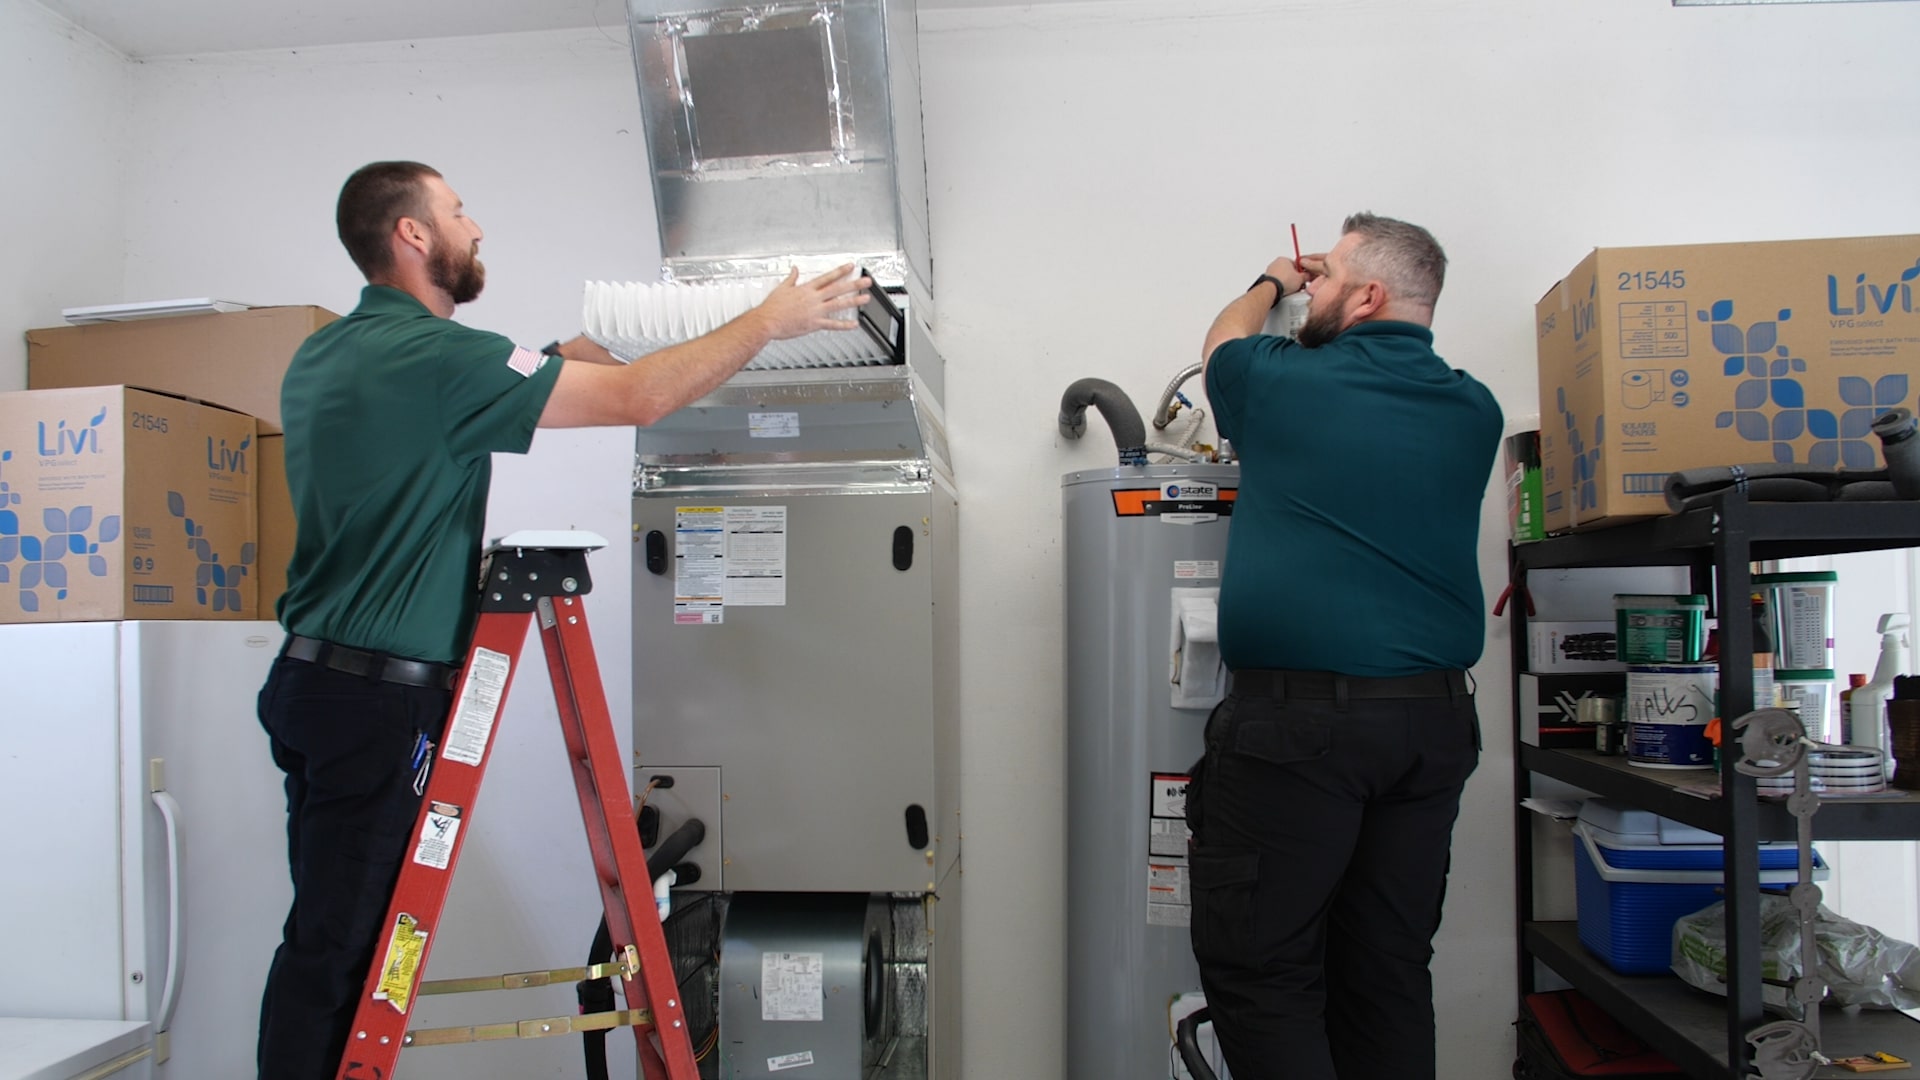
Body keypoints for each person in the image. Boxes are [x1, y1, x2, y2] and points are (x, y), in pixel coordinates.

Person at [255, 160, 869, 1078]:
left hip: (313, 686)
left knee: (327, 942)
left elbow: (538, 375)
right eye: (458, 212)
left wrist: (643, 330)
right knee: (342, 953)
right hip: (379, 705)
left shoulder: (330, 353)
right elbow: (639, 400)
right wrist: (767, 321)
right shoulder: (438, 360)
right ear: (412, 235)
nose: (477, 229)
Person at [1184, 213, 1502, 1080]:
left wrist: (1270, 283)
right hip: (1429, 730)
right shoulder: (1476, 407)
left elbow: (1220, 346)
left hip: (1299, 734)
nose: (1312, 291)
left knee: (1263, 971)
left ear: (1366, 295)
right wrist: (1313, 287)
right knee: (1385, 970)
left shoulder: (1282, 383)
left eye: (1328, 279)